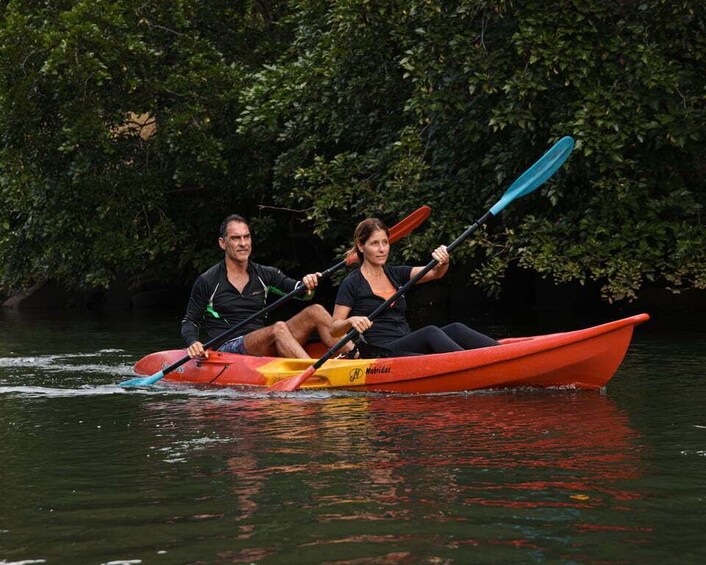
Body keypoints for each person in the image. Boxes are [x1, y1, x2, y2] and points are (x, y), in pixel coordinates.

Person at [182, 214, 347, 359]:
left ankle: (360, 356)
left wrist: (308, 283)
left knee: (315, 311)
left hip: (262, 342)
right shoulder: (207, 281)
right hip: (228, 348)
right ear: (223, 243)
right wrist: (193, 342)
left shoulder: (265, 274)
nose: (243, 243)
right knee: (278, 328)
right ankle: (315, 373)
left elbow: (301, 293)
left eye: (246, 237)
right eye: (236, 238)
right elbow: (190, 321)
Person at [331, 218, 498, 357]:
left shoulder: (396, 273)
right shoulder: (352, 283)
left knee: (456, 329)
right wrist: (351, 321)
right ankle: (470, 365)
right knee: (430, 332)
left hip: (405, 342)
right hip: (379, 352)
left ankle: (500, 354)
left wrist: (444, 260)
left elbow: (435, 272)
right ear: (361, 246)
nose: (382, 249)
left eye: (385, 243)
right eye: (375, 243)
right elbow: (334, 329)